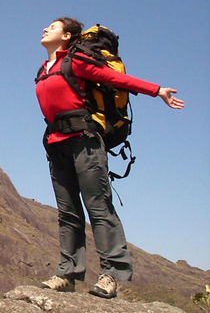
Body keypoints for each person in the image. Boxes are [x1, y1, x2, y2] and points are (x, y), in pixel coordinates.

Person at [35, 17, 184, 299]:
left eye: (52, 27)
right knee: (68, 213)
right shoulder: (43, 70)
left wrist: (156, 90)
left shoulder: (74, 62)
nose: (45, 29)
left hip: (85, 142)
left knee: (98, 206)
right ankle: (67, 274)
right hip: (56, 145)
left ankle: (110, 275)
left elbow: (116, 79)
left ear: (67, 36)